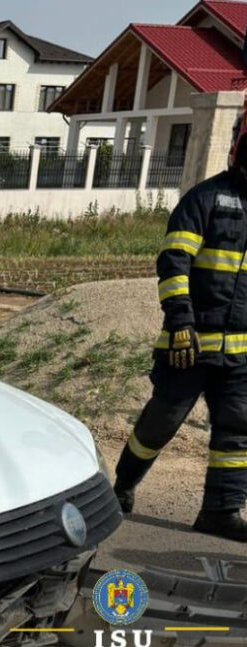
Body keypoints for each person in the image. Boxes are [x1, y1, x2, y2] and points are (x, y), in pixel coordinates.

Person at [113, 110, 247, 542]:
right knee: (161, 422)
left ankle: (220, 512)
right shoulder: (204, 199)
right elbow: (174, 263)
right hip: (187, 346)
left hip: (240, 356)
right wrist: (180, 322)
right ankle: (121, 488)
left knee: (237, 431)